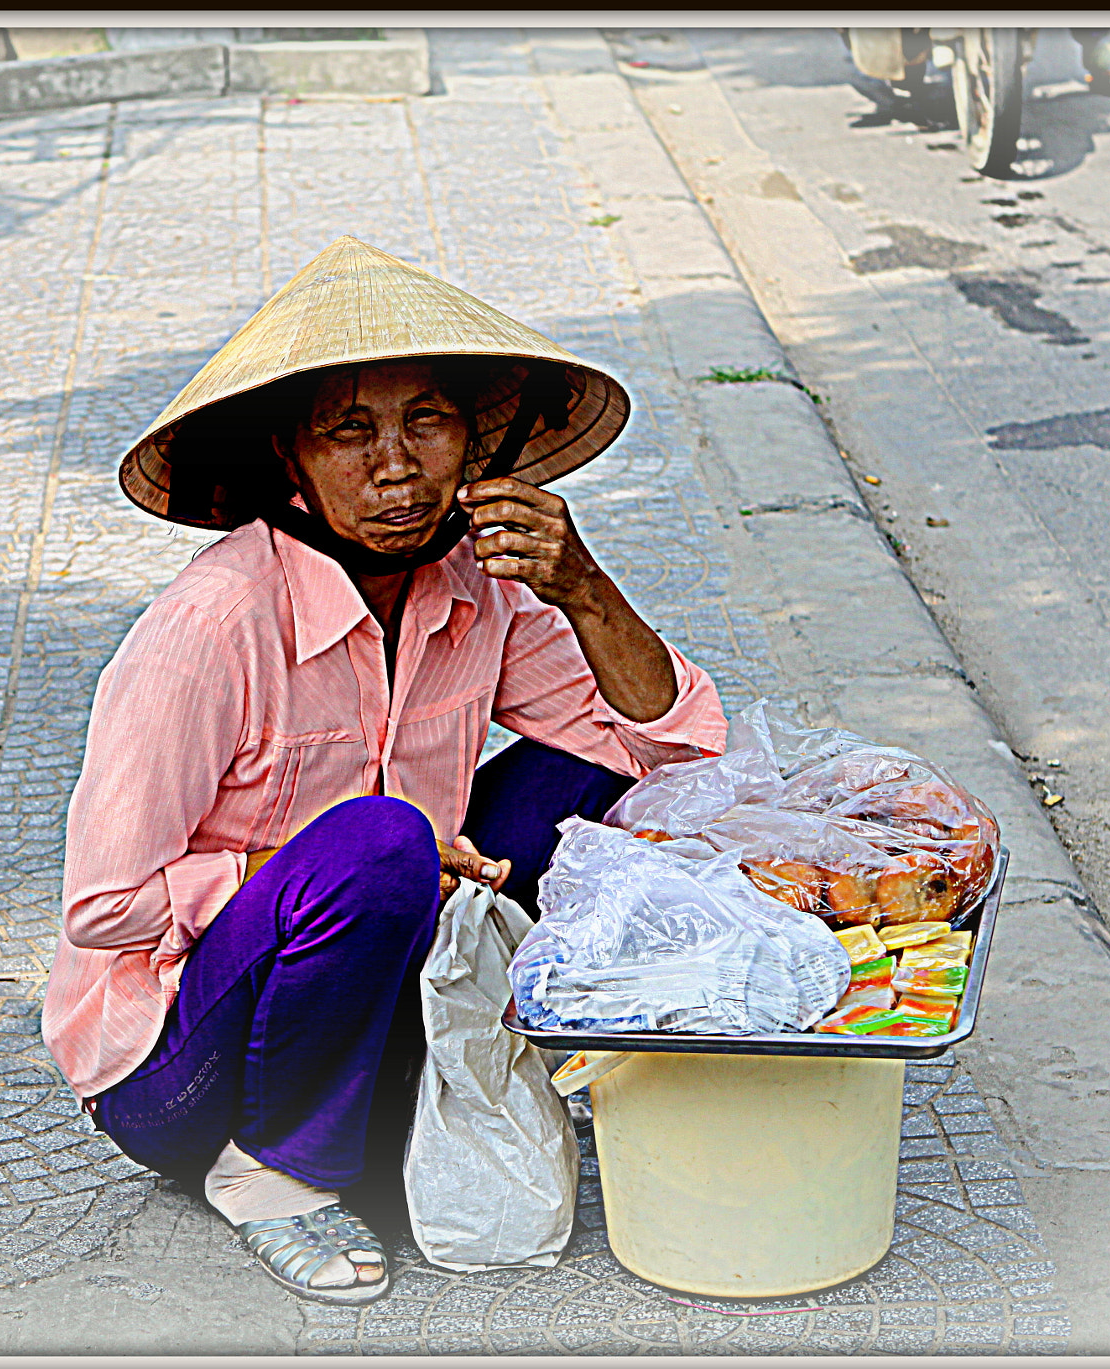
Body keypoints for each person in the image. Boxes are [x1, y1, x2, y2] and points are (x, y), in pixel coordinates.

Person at [41, 236, 727, 1305]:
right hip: (178, 1066)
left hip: (376, 977)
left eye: (426, 421)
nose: (396, 464)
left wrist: (581, 583)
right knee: (379, 839)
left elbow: (667, 751)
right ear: (289, 459)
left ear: (473, 441)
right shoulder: (211, 625)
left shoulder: (477, 587)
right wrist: (302, 870)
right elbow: (103, 906)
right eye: (349, 432)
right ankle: (275, 1166)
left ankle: (476, 1041)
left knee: (575, 777)